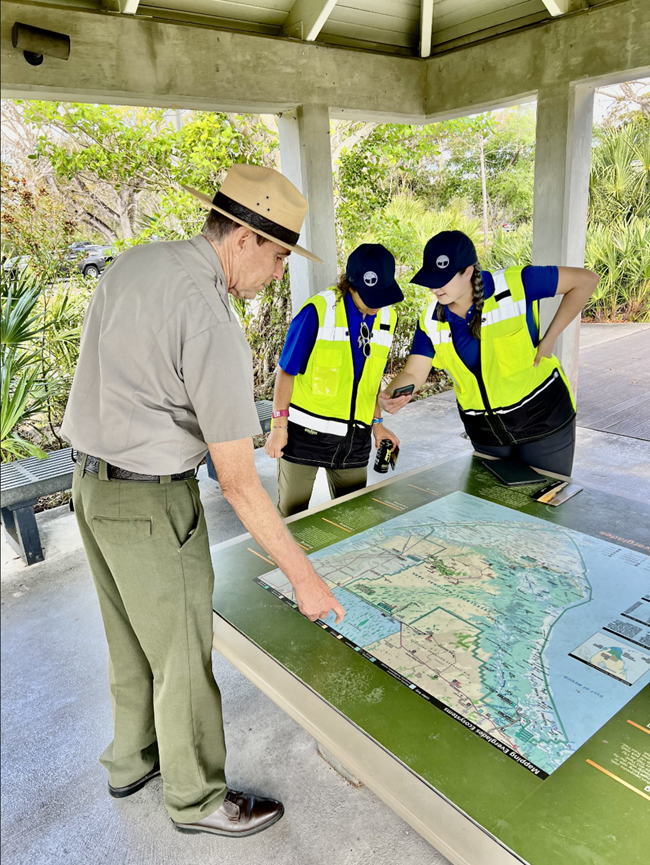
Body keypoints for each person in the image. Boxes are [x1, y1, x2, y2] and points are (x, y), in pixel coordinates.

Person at [60, 164, 345, 839]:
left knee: (129, 641)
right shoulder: (212, 317)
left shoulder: (135, 263)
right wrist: (304, 577)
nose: (278, 273)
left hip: (90, 488)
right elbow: (239, 481)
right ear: (243, 238)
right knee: (183, 655)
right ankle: (196, 798)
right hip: (153, 504)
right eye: (278, 255)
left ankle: (130, 760)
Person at [380, 231, 599, 476]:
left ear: (468, 271)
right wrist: (392, 394)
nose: (434, 287)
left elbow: (585, 280)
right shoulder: (431, 321)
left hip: (543, 422)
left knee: (543, 505)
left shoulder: (515, 284)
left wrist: (550, 338)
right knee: (492, 507)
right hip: (484, 432)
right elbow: (413, 371)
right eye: (431, 278)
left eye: (443, 278)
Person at [265, 244, 403, 516]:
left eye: (382, 295)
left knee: (355, 519)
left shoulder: (388, 317)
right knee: (292, 518)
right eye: (370, 296)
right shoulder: (318, 311)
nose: (377, 304)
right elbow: (286, 371)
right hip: (304, 438)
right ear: (350, 283)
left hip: (355, 440)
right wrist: (279, 426)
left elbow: (368, 380)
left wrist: (377, 424)